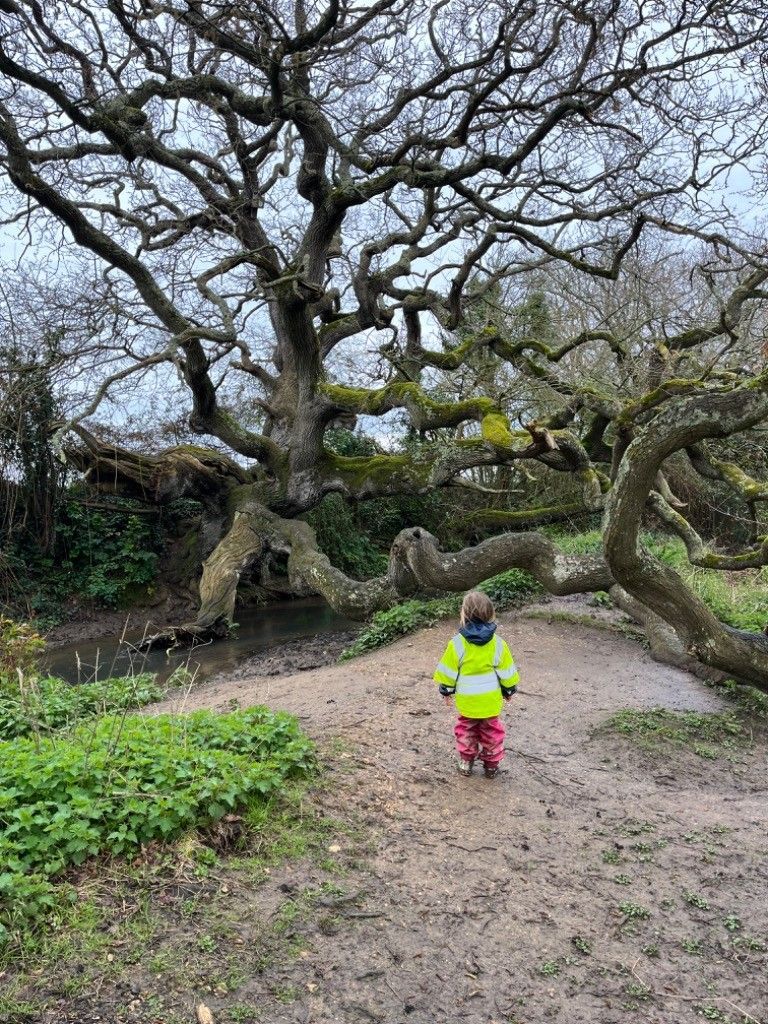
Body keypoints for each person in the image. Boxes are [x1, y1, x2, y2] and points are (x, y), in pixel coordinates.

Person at [433, 590, 519, 778]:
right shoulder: (498, 644)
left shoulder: (456, 644)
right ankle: (491, 766)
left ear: (463, 614)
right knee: (492, 732)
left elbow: (448, 671)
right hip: (490, 701)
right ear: (491, 614)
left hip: (467, 701)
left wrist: (446, 690)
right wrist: (509, 689)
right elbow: (507, 671)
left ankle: (466, 762)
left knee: (466, 729)